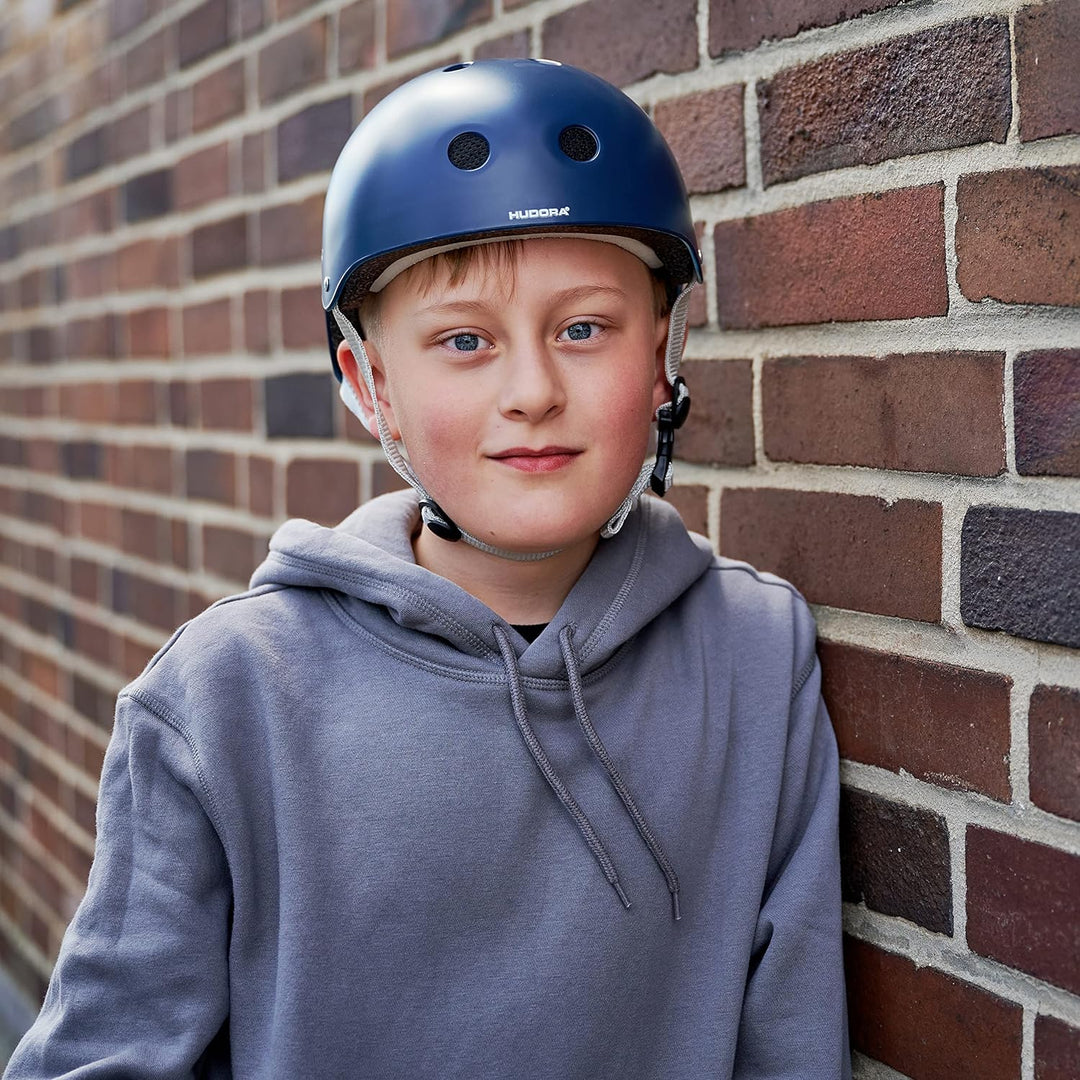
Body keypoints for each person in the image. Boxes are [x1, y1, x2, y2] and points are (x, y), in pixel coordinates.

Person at [6, 59, 850, 1078]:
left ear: (667, 349)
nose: (533, 390)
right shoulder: (225, 696)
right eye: (463, 341)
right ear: (370, 384)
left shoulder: (757, 655)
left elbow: (794, 1047)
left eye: (584, 328)